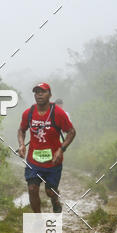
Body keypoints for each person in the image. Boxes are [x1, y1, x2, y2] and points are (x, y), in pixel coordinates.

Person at [17, 82, 75, 213]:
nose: (39, 95)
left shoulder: (58, 113)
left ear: (50, 95)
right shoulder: (29, 113)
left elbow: (71, 132)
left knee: (50, 192)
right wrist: (21, 144)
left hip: (53, 162)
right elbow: (21, 130)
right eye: (36, 92)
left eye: (42, 92)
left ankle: (55, 199)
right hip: (34, 161)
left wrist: (61, 149)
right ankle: (38, 220)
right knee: (32, 189)